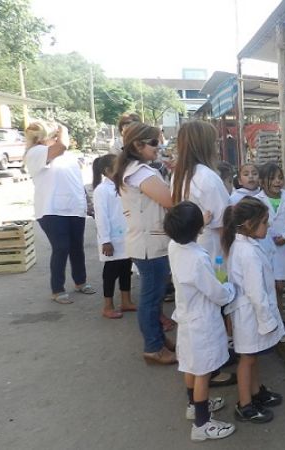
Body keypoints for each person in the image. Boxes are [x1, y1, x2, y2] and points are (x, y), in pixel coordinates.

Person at [164, 201, 236, 442]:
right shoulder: (197, 258)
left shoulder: (174, 246)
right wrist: (229, 290)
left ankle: (194, 405)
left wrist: (198, 222)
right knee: (204, 372)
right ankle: (202, 424)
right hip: (203, 322)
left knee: (190, 366)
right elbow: (215, 292)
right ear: (198, 228)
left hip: (186, 318)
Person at [112, 122, 176, 365]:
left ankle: (158, 339)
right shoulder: (140, 172)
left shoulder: (135, 169)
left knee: (154, 298)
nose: (159, 147)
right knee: (151, 299)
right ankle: (153, 347)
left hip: (147, 241)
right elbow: (170, 200)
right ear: (138, 145)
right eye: (154, 143)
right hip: (149, 244)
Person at [221, 198, 285, 424]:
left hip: (250, 313)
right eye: (265, 222)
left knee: (253, 355)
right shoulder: (247, 252)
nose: (268, 226)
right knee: (247, 359)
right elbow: (256, 293)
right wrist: (267, 320)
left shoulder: (246, 245)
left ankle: (256, 392)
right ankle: (245, 404)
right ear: (249, 224)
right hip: (250, 314)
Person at [24, 121, 96, 305]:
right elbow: (62, 145)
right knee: (61, 247)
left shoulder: (67, 156)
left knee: (76, 247)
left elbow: (76, 180)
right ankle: (57, 289)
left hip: (74, 207)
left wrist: (87, 201)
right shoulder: (35, 152)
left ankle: (80, 281)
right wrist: (63, 130)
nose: (58, 138)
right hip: (51, 209)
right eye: (55, 135)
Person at [171, 121, 230, 261]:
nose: (217, 148)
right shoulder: (207, 177)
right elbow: (223, 224)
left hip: (191, 248)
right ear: (205, 146)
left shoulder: (179, 175)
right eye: (215, 143)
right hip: (213, 251)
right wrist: (230, 257)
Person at [92, 154, 136, 319]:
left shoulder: (122, 186)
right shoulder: (102, 190)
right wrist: (105, 240)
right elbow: (101, 217)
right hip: (111, 239)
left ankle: (126, 301)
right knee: (111, 272)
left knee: (126, 269)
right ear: (108, 171)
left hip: (125, 237)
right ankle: (108, 305)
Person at [255, 163, 285, 311]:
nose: (277, 181)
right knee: (266, 285)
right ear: (261, 182)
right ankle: (268, 315)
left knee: (279, 287)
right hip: (263, 247)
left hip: (282, 248)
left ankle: (279, 316)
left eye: (280, 178)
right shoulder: (257, 200)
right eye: (272, 178)